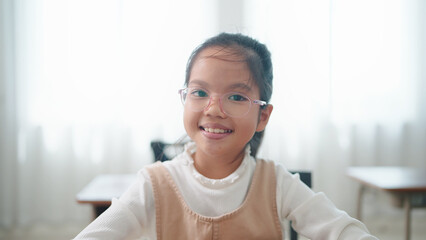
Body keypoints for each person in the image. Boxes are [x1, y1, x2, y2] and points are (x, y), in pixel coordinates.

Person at [74, 33, 378, 239]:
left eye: (235, 97)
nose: (213, 109)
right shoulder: (153, 183)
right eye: (200, 92)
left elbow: (342, 230)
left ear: (263, 116)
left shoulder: (277, 184)